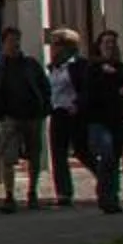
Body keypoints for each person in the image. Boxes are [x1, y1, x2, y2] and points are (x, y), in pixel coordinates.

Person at [0, 26, 51, 213]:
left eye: (17, 40)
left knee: (34, 155)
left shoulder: (31, 65)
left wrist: (44, 109)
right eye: (11, 40)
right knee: (8, 157)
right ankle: (9, 195)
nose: (15, 44)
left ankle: (32, 192)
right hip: (9, 118)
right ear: (3, 44)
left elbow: (44, 86)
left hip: (32, 116)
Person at [73, 27, 123, 214]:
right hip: (98, 120)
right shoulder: (92, 67)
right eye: (106, 43)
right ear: (99, 46)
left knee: (114, 159)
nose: (110, 46)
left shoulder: (121, 67)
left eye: (113, 43)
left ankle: (113, 196)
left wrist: (116, 76)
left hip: (117, 120)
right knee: (107, 155)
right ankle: (106, 195)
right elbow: (87, 91)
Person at [44, 29, 85, 208]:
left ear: (66, 47)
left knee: (82, 151)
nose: (52, 48)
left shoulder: (79, 65)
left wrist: (78, 104)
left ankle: (104, 178)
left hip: (73, 113)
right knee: (58, 154)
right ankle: (63, 193)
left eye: (55, 44)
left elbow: (86, 88)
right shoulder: (53, 66)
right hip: (57, 113)